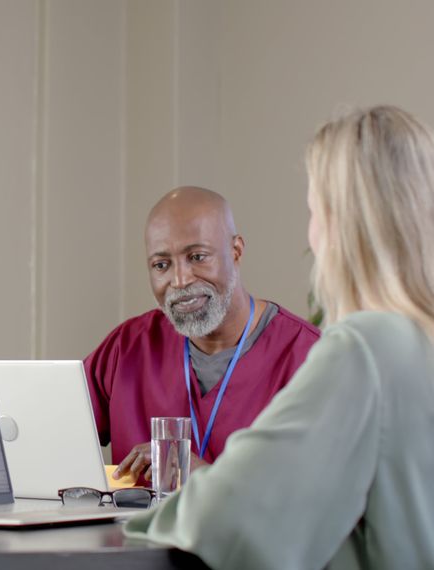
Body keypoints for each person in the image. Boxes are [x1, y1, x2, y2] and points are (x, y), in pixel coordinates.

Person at [124, 105, 434, 568]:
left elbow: (229, 516)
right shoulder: (420, 343)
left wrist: (143, 522)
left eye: (314, 211)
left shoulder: (365, 348)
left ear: (338, 224)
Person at [85, 187, 320, 484]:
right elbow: (51, 433)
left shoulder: (308, 357)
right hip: (129, 532)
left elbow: (325, 501)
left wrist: (207, 479)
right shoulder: (128, 347)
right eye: (161, 265)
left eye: (197, 257)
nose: (180, 281)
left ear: (235, 251)